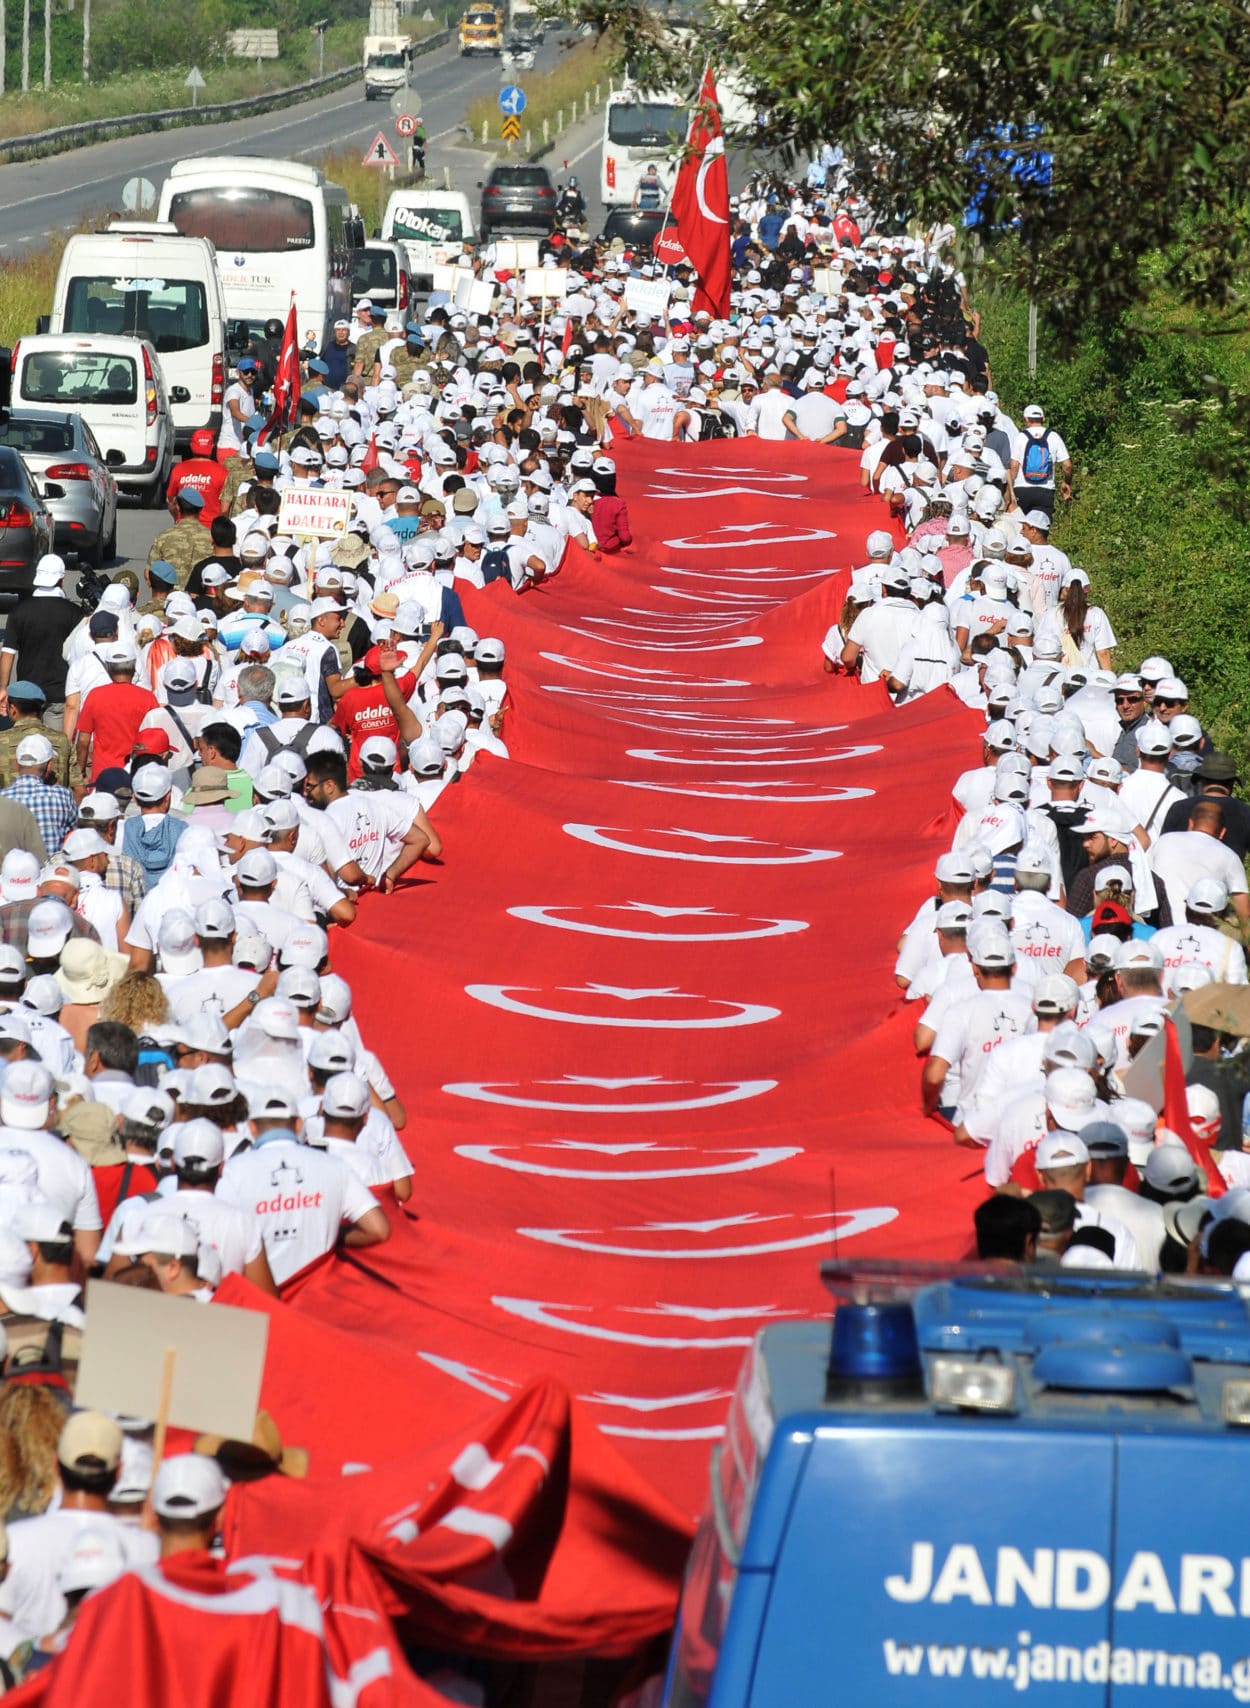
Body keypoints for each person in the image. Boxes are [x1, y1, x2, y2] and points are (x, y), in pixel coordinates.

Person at [0, 559, 82, 730]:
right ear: (62, 580)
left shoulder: (19, 612)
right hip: (60, 696)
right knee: (55, 751)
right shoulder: (75, 613)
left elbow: (8, 654)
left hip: (26, 698)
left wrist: (3, 688)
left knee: (26, 751)